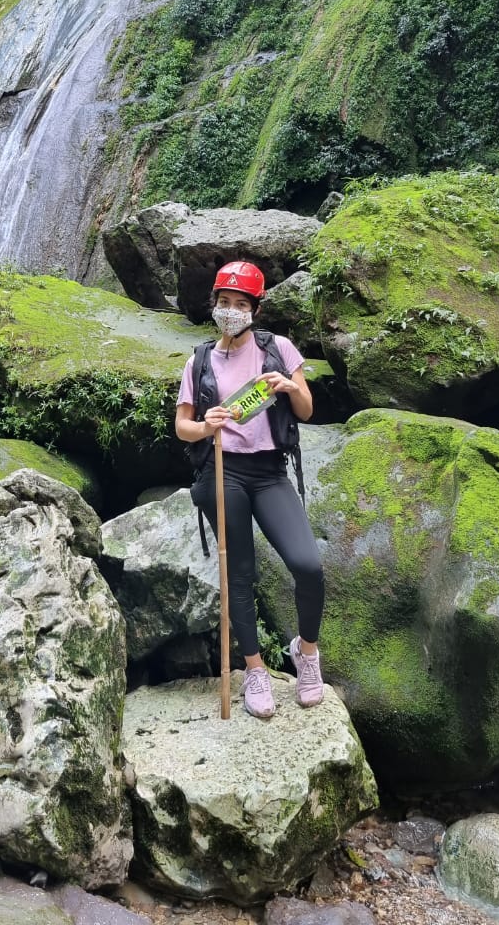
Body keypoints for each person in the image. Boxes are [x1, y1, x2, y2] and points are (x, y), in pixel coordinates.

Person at [175, 260, 325, 719]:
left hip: (269, 471)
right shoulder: (199, 360)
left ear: (255, 310)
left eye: (241, 304)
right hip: (224, 471)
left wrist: (287, 387)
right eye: (225, 303)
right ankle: (255, 669)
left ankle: (307, 651)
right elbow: (182, 426)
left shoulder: (277, 348)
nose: (232, 311)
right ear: (214, 306)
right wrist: (205, 425)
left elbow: (306, 410)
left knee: (308, 565)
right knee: (238, 575)